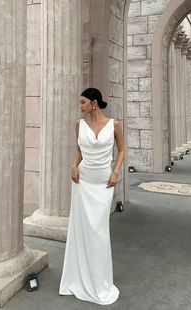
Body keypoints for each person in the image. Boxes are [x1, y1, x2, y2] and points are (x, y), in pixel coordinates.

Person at [59, 87, 125, 305]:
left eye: (83, 102)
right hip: (83, 182)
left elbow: (122, 150)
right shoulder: (79, 125)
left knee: (99, 233)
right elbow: (79, 149)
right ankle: (78, 278)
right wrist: (73, 165)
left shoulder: (114, 124)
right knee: (82, 231)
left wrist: (116, 172)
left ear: (94, 102)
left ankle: (99, 281)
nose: (81, 106)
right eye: (80, 103)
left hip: (104, 184)